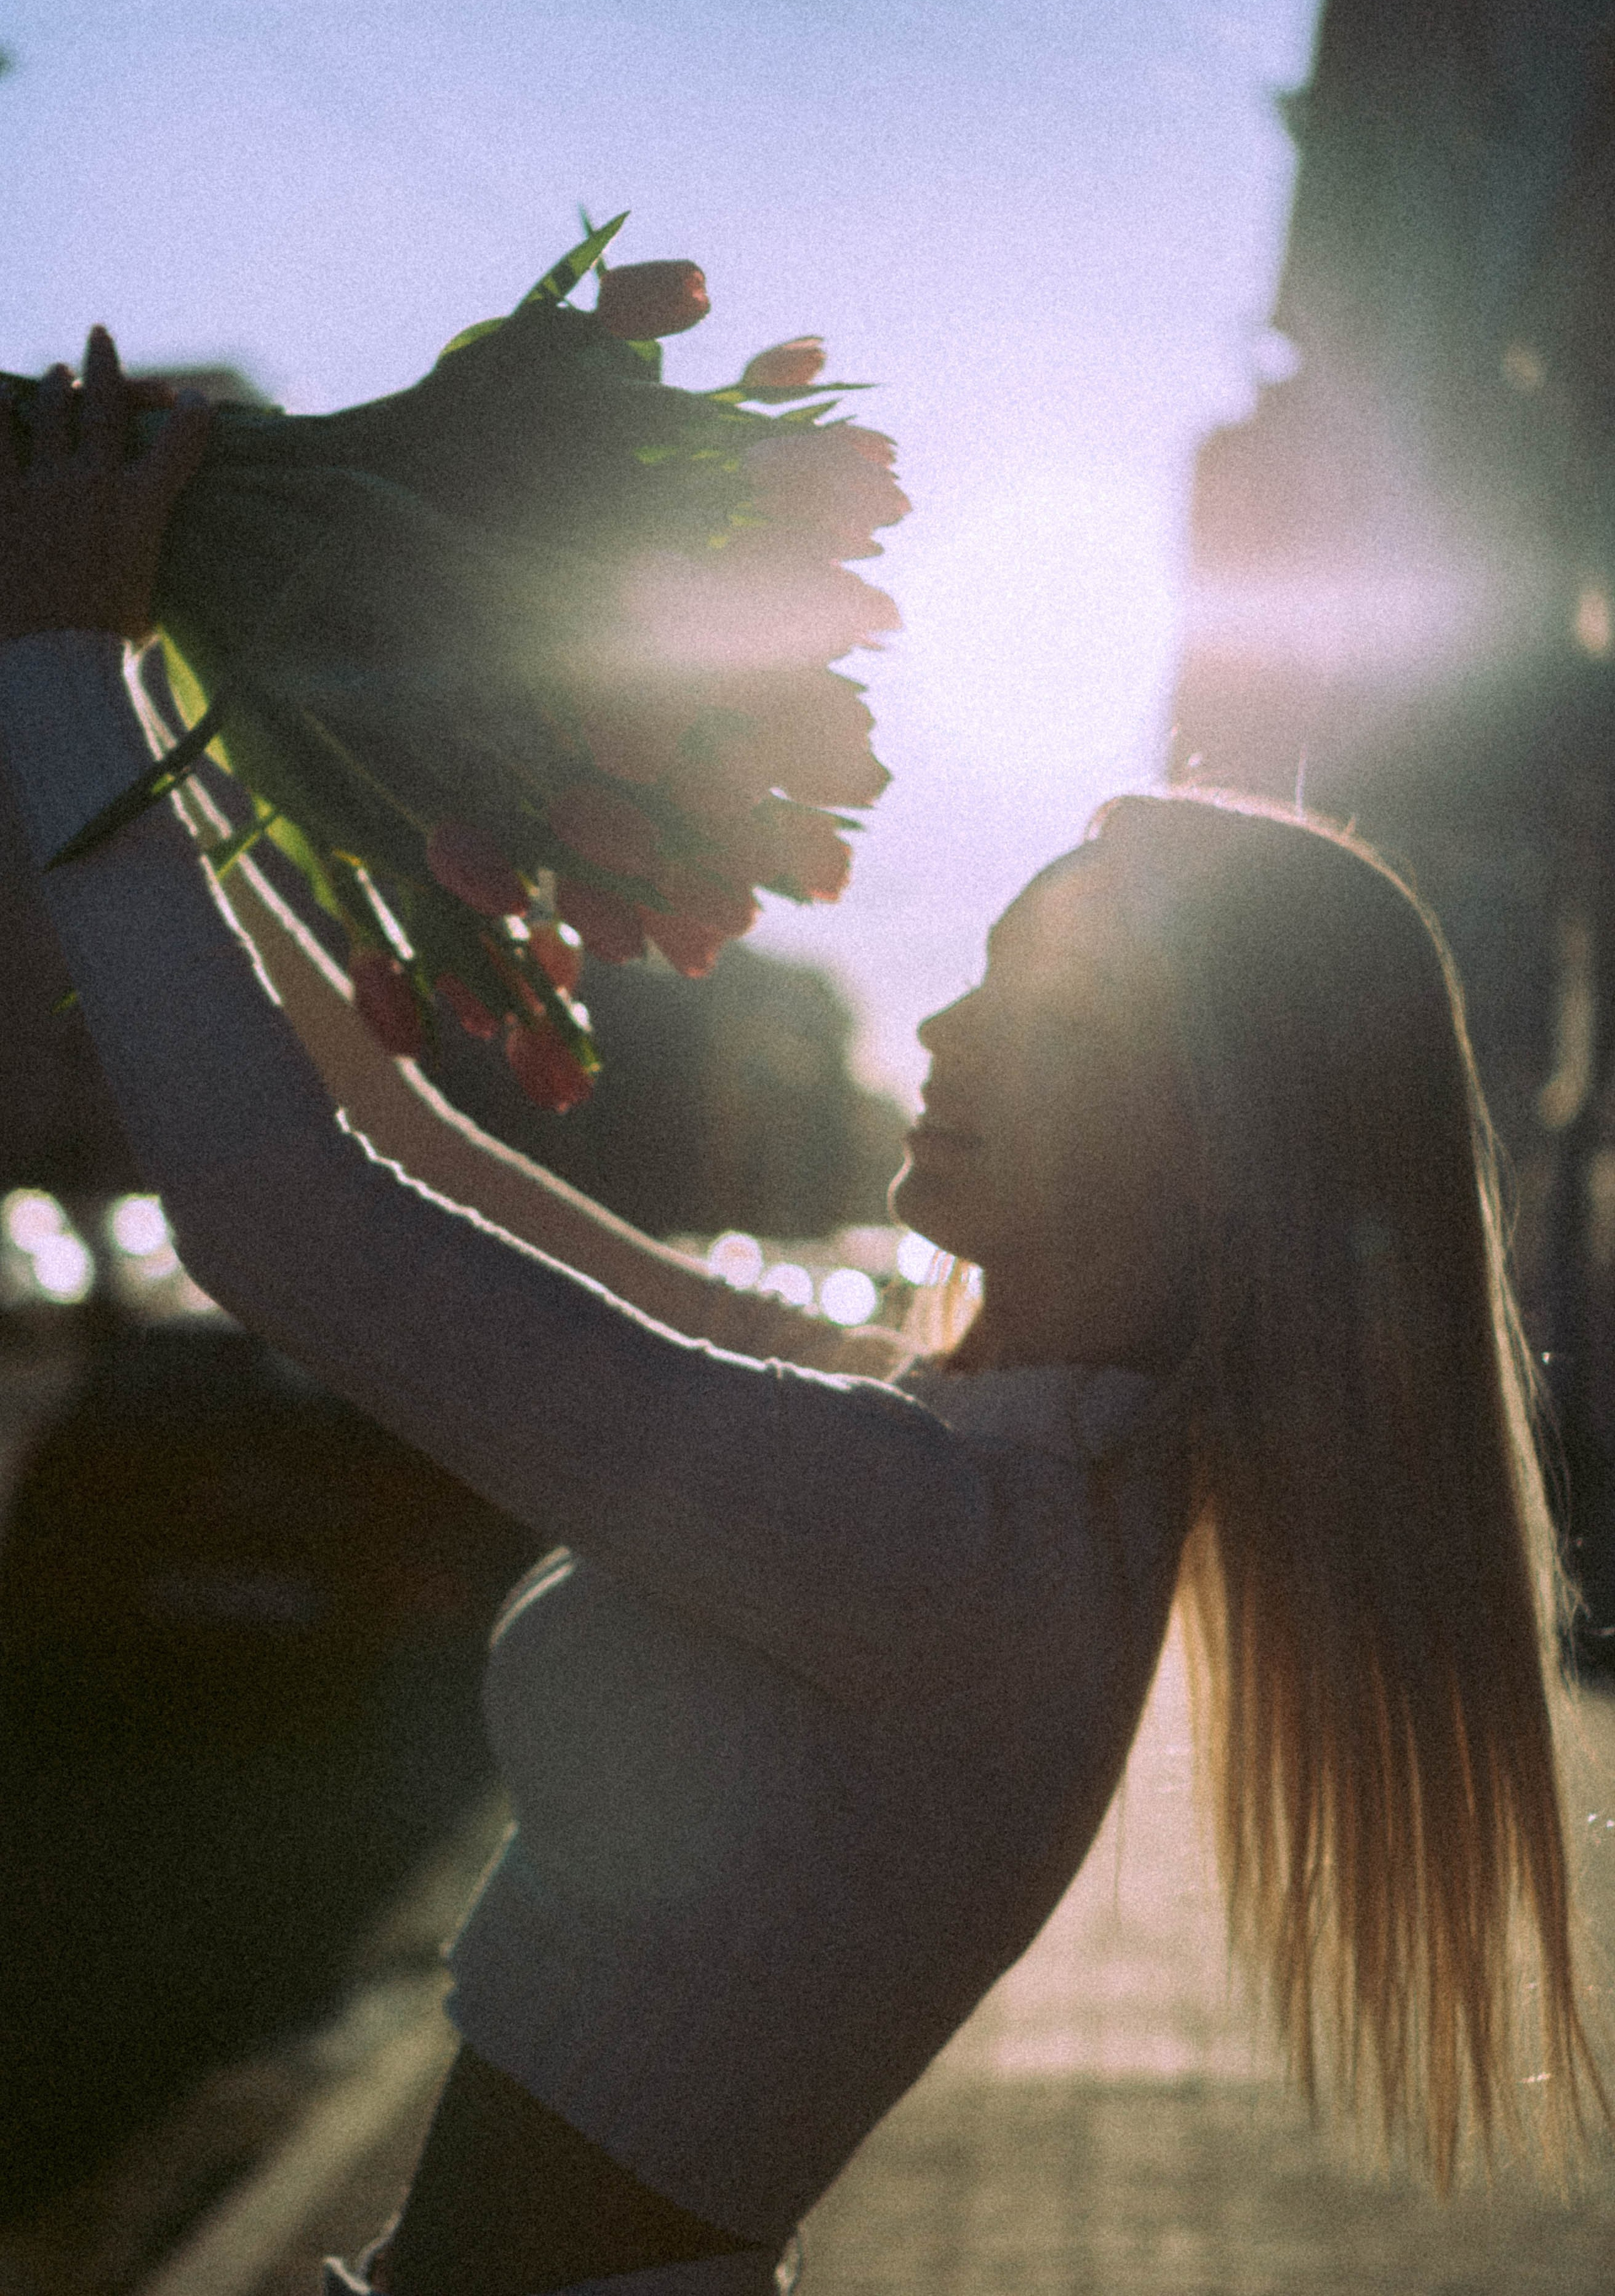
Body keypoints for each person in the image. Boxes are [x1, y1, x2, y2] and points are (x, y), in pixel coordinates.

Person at [0, 335, 1607, 2295]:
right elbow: (384, 1125)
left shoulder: (949, 1546)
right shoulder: (952, 1465)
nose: (944, 1025)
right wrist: (152, 659)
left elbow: (290, 1228)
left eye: (1055, 1008)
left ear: (1226, 1149)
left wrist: (60, 667)